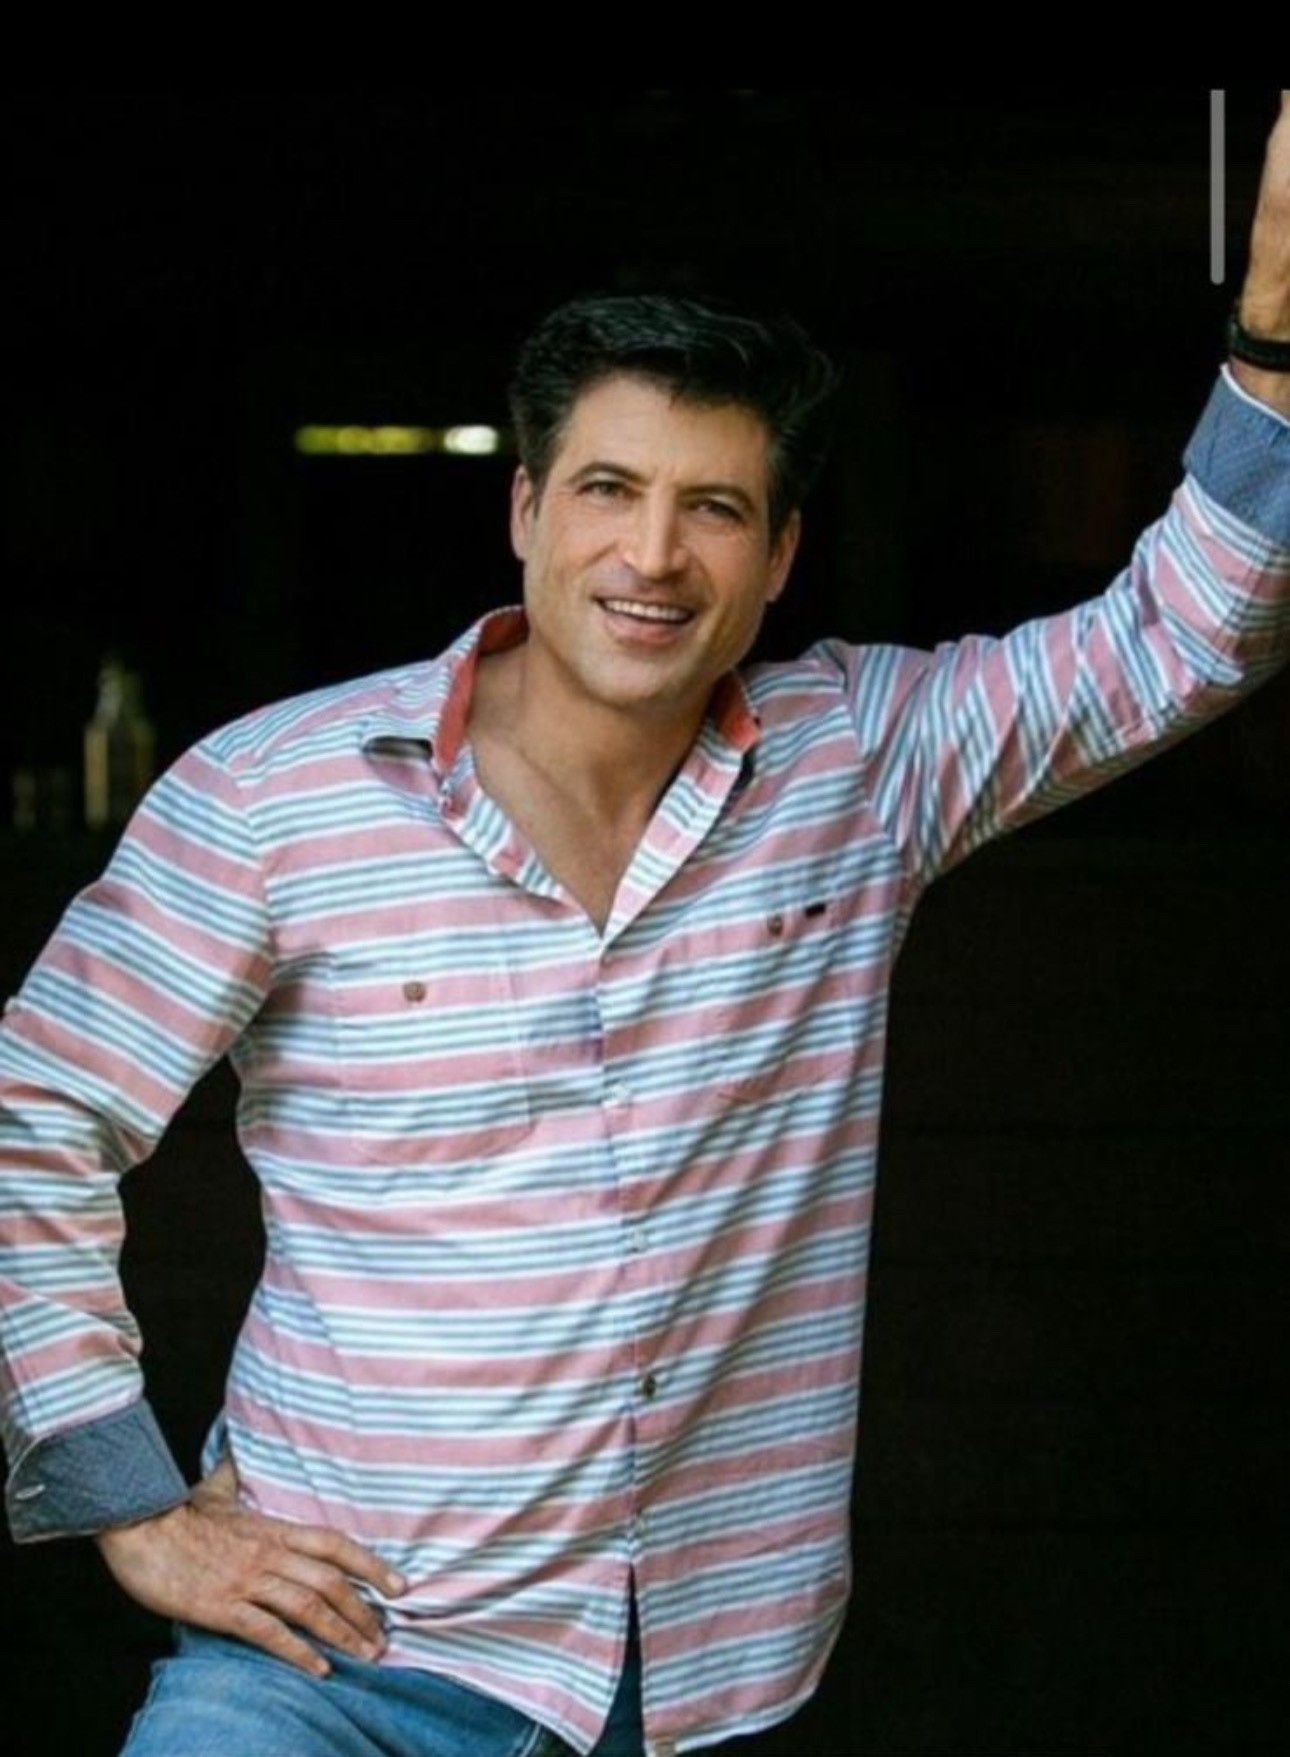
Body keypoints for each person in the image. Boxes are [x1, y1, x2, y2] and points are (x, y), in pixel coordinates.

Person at [2, 105, 1288, 1757]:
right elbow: (35, 1111)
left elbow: (1177, 639)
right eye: (608, 489)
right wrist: (125, 1498)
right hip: (329, 1669)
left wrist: (1269, 335)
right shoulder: (272, 796)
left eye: (715, 507)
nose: (653, 555)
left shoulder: (862, 766)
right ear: (525, 508)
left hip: (697, 1687)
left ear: (780, 555)